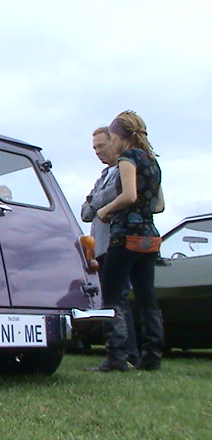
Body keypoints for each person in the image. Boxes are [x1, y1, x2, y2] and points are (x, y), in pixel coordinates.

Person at [86, 111, 164, 372]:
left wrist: (105, 211)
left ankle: (117, 356)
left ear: (119, 137)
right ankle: (152, 355)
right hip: (149, 235)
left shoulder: (128, 158)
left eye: (112, 138)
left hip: (126, 235)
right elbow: (159, 205)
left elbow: (128, 194)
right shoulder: (153, 162)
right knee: (146, 296)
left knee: (111, 295)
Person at [81, 127, 139, 365]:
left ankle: (125, 353)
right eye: (94, 148)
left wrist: (94, 200)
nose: (97, 152)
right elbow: (85, 213)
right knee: (112, 298)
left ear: (114, 143)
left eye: (101, 146)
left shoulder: (122, 172)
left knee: (118, 298)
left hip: (117, 242)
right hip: (101, 246)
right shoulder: (103, 176)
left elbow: (107, 196)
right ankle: (126, 352)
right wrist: (95, 201)